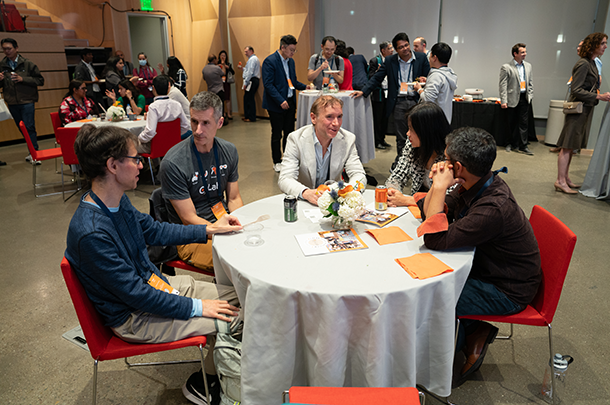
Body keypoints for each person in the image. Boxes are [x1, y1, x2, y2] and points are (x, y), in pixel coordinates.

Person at [65, 124, 241, 405]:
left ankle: (214, 371)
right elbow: (136, 296)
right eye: (135, 158)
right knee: (234, 317)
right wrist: (197, 307)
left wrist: (209, 229)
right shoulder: (91, 234)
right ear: (112, 165)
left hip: (154, 289)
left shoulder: (114, 201)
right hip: (135, 318)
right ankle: (205, 385)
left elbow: (155, 230)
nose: (141, 164)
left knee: (242, 298)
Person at [415, 126, 541, 386]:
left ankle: (438, 370)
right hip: (489, 269)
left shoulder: (492, 208)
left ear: (458, 167)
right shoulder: (478, 182)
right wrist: (438, 192)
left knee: (436, 297)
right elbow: (431, 212)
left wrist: (437, 188)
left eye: (446, 160)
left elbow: (435, 238)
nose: (441, 164)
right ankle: (474, 330)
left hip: (507, 290)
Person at [160, 91, 244, 272]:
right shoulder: (173, 162)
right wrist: (219, 230)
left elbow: (234, 198)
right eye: (194, 121)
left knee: (254, 248)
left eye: (206, 123)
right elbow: (188, 218)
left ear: (219, 123)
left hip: (222, 220)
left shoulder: (229, 151)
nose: (198, 130)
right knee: (239, 262)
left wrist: (239, 225)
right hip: (190, 236)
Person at [354, 32, 430, 164]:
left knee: (418, 136)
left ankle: (417, 164)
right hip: (399, 102)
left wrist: (426, 79)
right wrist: (364, 91)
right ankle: (401, 164)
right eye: (401, 47)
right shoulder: (390, 61)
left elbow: (429, 75)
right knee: (401, 137)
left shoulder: (421, 58)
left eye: (406, 45)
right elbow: (377, 77)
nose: (405, 49)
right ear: (396, 49)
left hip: (416, 101)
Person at [278, 95, 367, 204]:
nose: (336, 123)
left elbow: (359, 175)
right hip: (305, 201)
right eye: (329, 117)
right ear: (313, 118)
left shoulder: (348, 139)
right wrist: (306, 192)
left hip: (335, 203)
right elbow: (285, 179)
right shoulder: (296, 139)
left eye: (339, 116)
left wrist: (348, 193)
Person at [555, 32, 610, 194]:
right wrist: (598, 96)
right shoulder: (584, 64)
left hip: (584, 109)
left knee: (572, 146)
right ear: (593, 45)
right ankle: (560, 180)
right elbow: (576, 89)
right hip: (578, 110)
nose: (605, 46)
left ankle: (565, 177)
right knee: (567, 146)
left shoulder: (592, 63)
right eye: (602, 43)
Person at [385, 102, 452, 205]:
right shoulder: (412, 144)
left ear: (426, 132)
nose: (407, 134)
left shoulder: (450, 154)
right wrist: (392, 191)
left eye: (411, 129)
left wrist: (407, 200)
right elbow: (398, 175)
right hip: (416, 209)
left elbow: (448, 198)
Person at [262, 34, 309, 172]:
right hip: (276, 104)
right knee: (277, 133)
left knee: (290, 133)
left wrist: (305, 87)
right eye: (291, 50)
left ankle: (288, 159)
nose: (293, 53)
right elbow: (268, 84)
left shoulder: (291, 61)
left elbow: (292, 81)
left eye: (295, 50)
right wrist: (280, 100)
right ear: (283, 47)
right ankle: (277, 161)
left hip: (290, 102)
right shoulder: (270, 61)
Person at [0, 37, 45, 163]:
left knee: (29, 126)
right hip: (12, 101)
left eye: (9, 48)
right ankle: (31, 150)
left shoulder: (28, 64)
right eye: (4, 49)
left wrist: (23, 79)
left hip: (27, 100)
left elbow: (40, 81)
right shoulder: (2, 65)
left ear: (16, 48)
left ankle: (34, 153)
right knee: (22, 128)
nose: (7, 51)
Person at [137, 75, 190, 153]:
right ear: (169, 87)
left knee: (132, 145)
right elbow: (185, 126)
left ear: (153, 88)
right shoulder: (176, 104)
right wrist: (173, 137)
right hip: (174, 143)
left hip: (157, 145)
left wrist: (139, 138)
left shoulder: (153, 107)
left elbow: (150, 132)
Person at [499, 43, 534, 155]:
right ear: (515, 54)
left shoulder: (528, 66)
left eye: (525, 52)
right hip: (511, 99)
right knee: (511, 123)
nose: (525, 54)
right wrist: (504, 101)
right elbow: (502, 85)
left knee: (524, 123)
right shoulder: (506, 67)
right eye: (522, 52)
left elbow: (530, 82)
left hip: (524, 97)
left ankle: (523, 146)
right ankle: (509, 144)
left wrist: (530, 95)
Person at [414, 42, 457, 123]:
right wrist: (428, 81)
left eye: (430, 55)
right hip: (445, 118)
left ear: (435, 58)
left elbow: (427, 99)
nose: (429, 59)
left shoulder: (436, 76)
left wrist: (419, 89)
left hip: (434, 121)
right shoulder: (448, 73)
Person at [368, 41, 394, 150]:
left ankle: (382, 139)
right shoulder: (375, 61)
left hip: (389, 93)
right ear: (383, 51)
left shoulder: (392, 61)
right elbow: (370, 77)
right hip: (378, 94)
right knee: (377, 119)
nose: (392, 50)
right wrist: (378, 71)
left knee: (385, 118)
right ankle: (377, 141)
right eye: (390, 48)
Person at [202, 54, 226, 121]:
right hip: (219, 90)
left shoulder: (204, 69)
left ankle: (214, 121)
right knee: (220, 107)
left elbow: (204, 78)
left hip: (210, 90)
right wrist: (223, 64)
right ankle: (221, 121)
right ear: (214, 60)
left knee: (213, 107)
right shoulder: (217, 68)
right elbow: (223, 73)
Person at [241, 46, 260, 122]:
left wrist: (246, 83)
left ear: (251, 51)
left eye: (246, 51)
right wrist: (242, 69)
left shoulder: (252, 59)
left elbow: (250, 72)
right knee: (249, 98)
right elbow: (248, 70)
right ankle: (249, 116)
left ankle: (250, 117)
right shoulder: (254, 59)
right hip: (253, 80)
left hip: (251, 80)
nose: (245, 53)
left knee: (248, 99)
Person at [218, 50, 234, 120]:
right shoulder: (217, 64)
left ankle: (229, 113)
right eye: (221, 55)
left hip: (226, 82)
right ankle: (223, 113)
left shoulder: (228, 64)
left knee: (227, 98)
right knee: (221, 98)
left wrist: (228, 68)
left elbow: (233, 72)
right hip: (219, 82)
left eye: (224, 55)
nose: (223, 57)